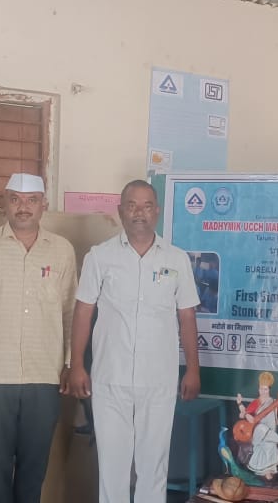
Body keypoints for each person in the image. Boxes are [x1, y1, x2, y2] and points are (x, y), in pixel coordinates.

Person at [64, 179, 202, 503]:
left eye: (147, 206)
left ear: (157, 211)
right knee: (112, 467)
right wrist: (77, 365)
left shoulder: (177, 259)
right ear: (120, 211)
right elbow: (83, 312)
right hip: (110, 378)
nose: (140, 212)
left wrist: (193, 370)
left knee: (153, 467)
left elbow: (187, 317)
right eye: (132, 205)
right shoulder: (99, 257)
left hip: (159, 380)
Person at [0, 173, 77, 503]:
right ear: (4, 203)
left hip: (45, 374)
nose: (24, 207)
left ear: (44, 205)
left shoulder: (62, 250)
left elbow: (70, 312)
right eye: (16, 199)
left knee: (35, 468)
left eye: (32, 200)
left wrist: (69, 363)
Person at [236, 371, 278, 479]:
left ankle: (267, 474)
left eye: (265, 389)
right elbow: (244, 414)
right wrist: (241, 407)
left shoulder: (274, 402)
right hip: (258, 433)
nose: (263, 391)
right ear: (258, 389)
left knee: (269, 445)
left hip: (271, 434)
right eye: (261, 389)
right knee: (261, 428)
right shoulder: (255, 403)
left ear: (269, 389)